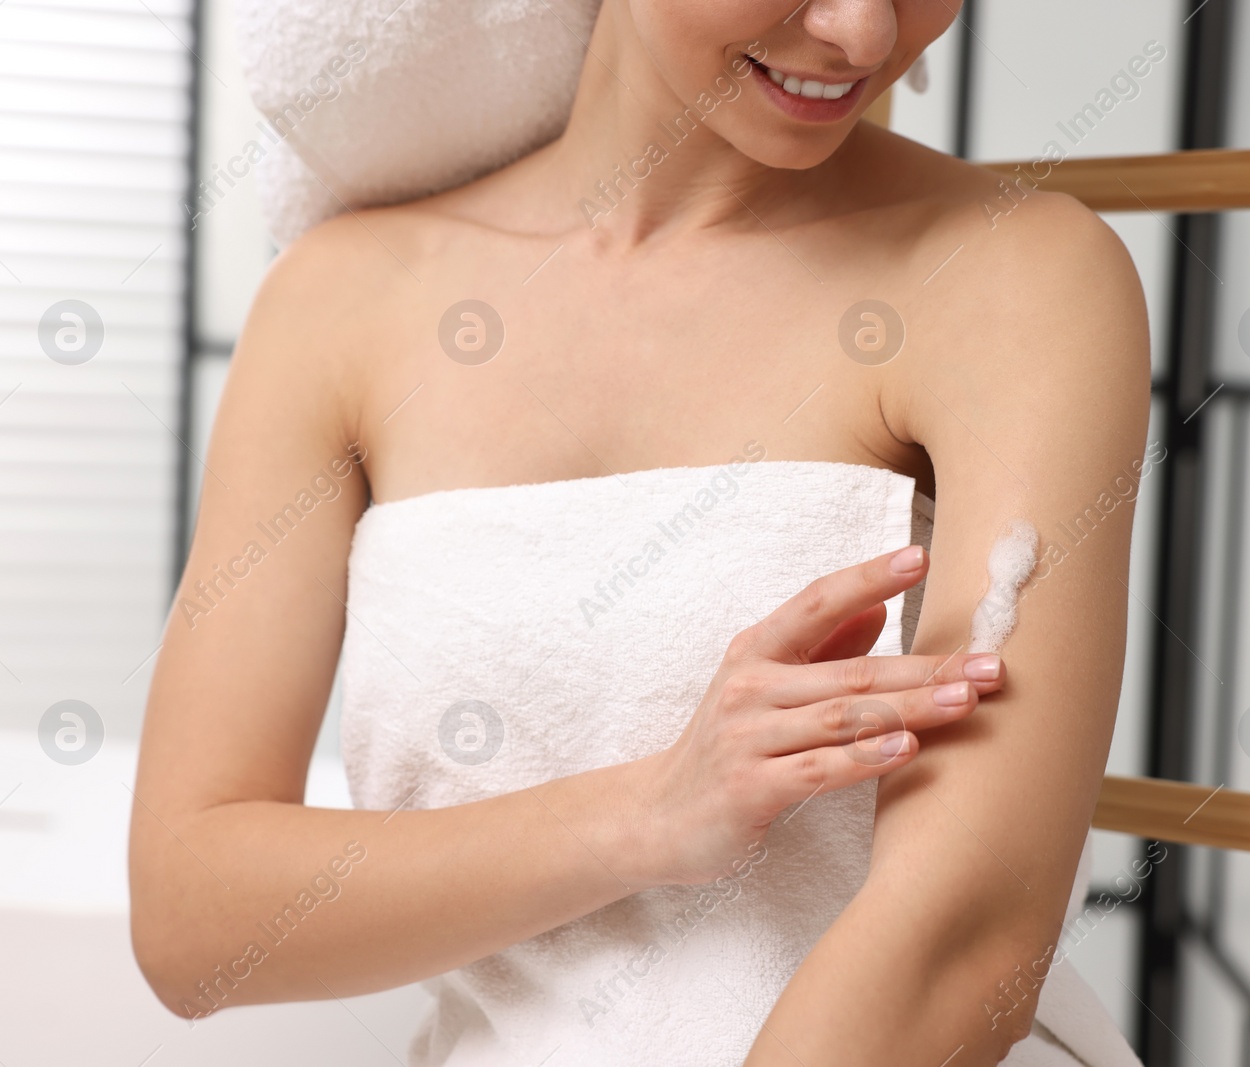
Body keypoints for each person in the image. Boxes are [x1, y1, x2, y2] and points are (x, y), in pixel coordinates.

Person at [129, 1, 1152, 1063]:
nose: (861, 33)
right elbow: (193, 924)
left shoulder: (1011, 278)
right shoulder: (340, 302)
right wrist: (648, 815)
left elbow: (963, 943)